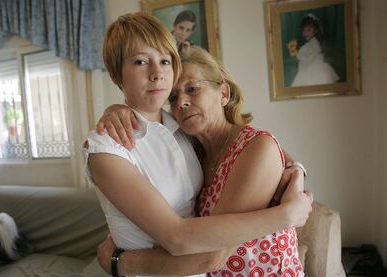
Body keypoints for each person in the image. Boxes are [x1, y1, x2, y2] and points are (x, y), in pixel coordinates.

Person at [85, 12, 312, 277]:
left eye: (192, 89)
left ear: (224, 93)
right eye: (140, 62)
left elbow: (268, 148)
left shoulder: (214, 140)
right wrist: (114, 109)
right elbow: (177, 237)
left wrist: (296, 173)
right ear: (116, 75)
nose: (158, 74)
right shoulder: (182, 140)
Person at [290, 13, 339, 87]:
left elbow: (309, 57)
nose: (305, 33)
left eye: (309, 30)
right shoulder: (309, 44)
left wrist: (297, 54)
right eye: (303, 30)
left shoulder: (315, 43)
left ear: (315, 30)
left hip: (314, 70)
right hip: (306, 70)